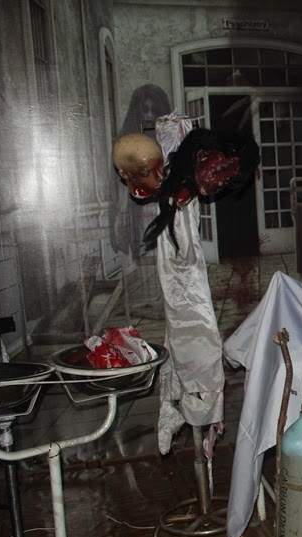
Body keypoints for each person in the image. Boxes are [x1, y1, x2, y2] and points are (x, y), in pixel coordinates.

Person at [112, 116, 259, 455]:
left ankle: (191, 407)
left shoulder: (201, 172)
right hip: (181, 260)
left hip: (186, 267)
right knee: (184, 321)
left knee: (193, 324)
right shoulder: (175, 182)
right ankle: (178, 404)